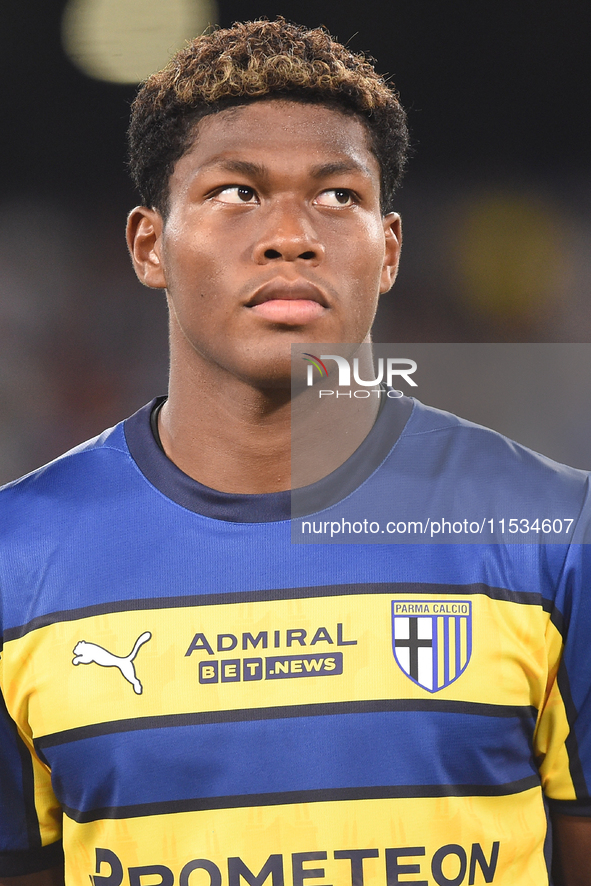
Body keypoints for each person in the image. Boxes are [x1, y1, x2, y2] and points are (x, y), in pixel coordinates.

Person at [0, 18, 590, 886]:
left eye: (337, 196)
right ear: (148, 246)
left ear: (387, 252)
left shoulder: (552, 531)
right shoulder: (17, 559)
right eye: (236, 193)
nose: (290, 235)